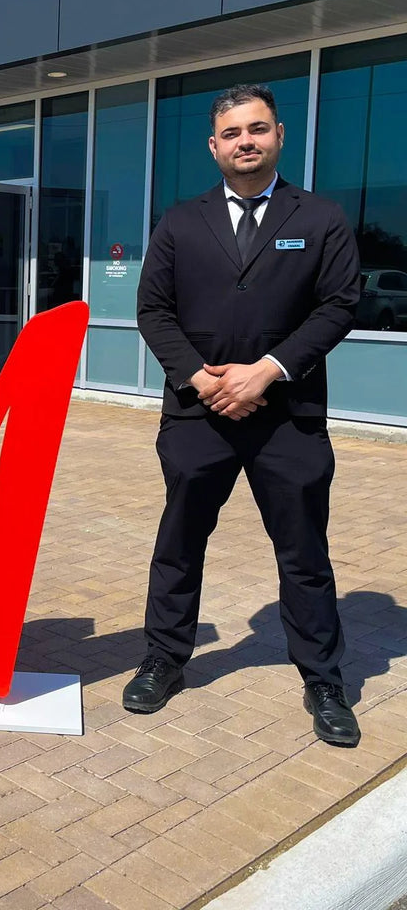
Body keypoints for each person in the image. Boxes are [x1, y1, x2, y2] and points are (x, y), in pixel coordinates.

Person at [125, 84, 361, 747]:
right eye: (232, 133)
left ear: (280, 135)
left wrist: (267, 370)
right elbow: (154, 311)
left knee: (304, 554)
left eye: (256, 129)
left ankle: (323, 679)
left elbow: (339, 304)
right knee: (178, 545)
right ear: (214, 146)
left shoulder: (320, 218)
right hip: (199, 417)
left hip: (288, 417)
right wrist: (203, 380)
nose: (245, 142)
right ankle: (165, 659)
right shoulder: (179, 221)